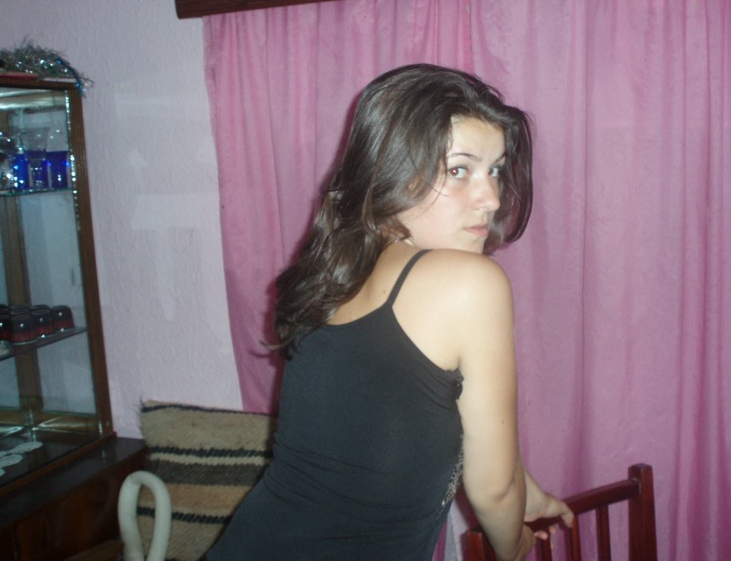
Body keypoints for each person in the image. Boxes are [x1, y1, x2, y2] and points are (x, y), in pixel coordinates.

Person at [206, 64, 573, 561]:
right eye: (459, 170)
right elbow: (494, 492)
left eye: (495, 170)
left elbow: (439, 425)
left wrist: (531, 494)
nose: (490, 198)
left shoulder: (334, 271)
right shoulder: (469, 283)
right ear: (393, 168)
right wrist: (515, 545)